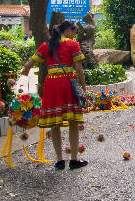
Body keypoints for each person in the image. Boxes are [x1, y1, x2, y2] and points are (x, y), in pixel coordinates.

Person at [21, 20, 89, 170]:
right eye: (75, 32)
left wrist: (24, 71)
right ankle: (74, 159)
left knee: (55, 123)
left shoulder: (47, 45)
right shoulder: (73, 44)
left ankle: (59, 160)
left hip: (51, 85)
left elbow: (29, 64)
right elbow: (79, 70)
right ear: (69, 30)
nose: (74, 36)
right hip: (67, 84)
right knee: (73, 122)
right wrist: (83, 89)